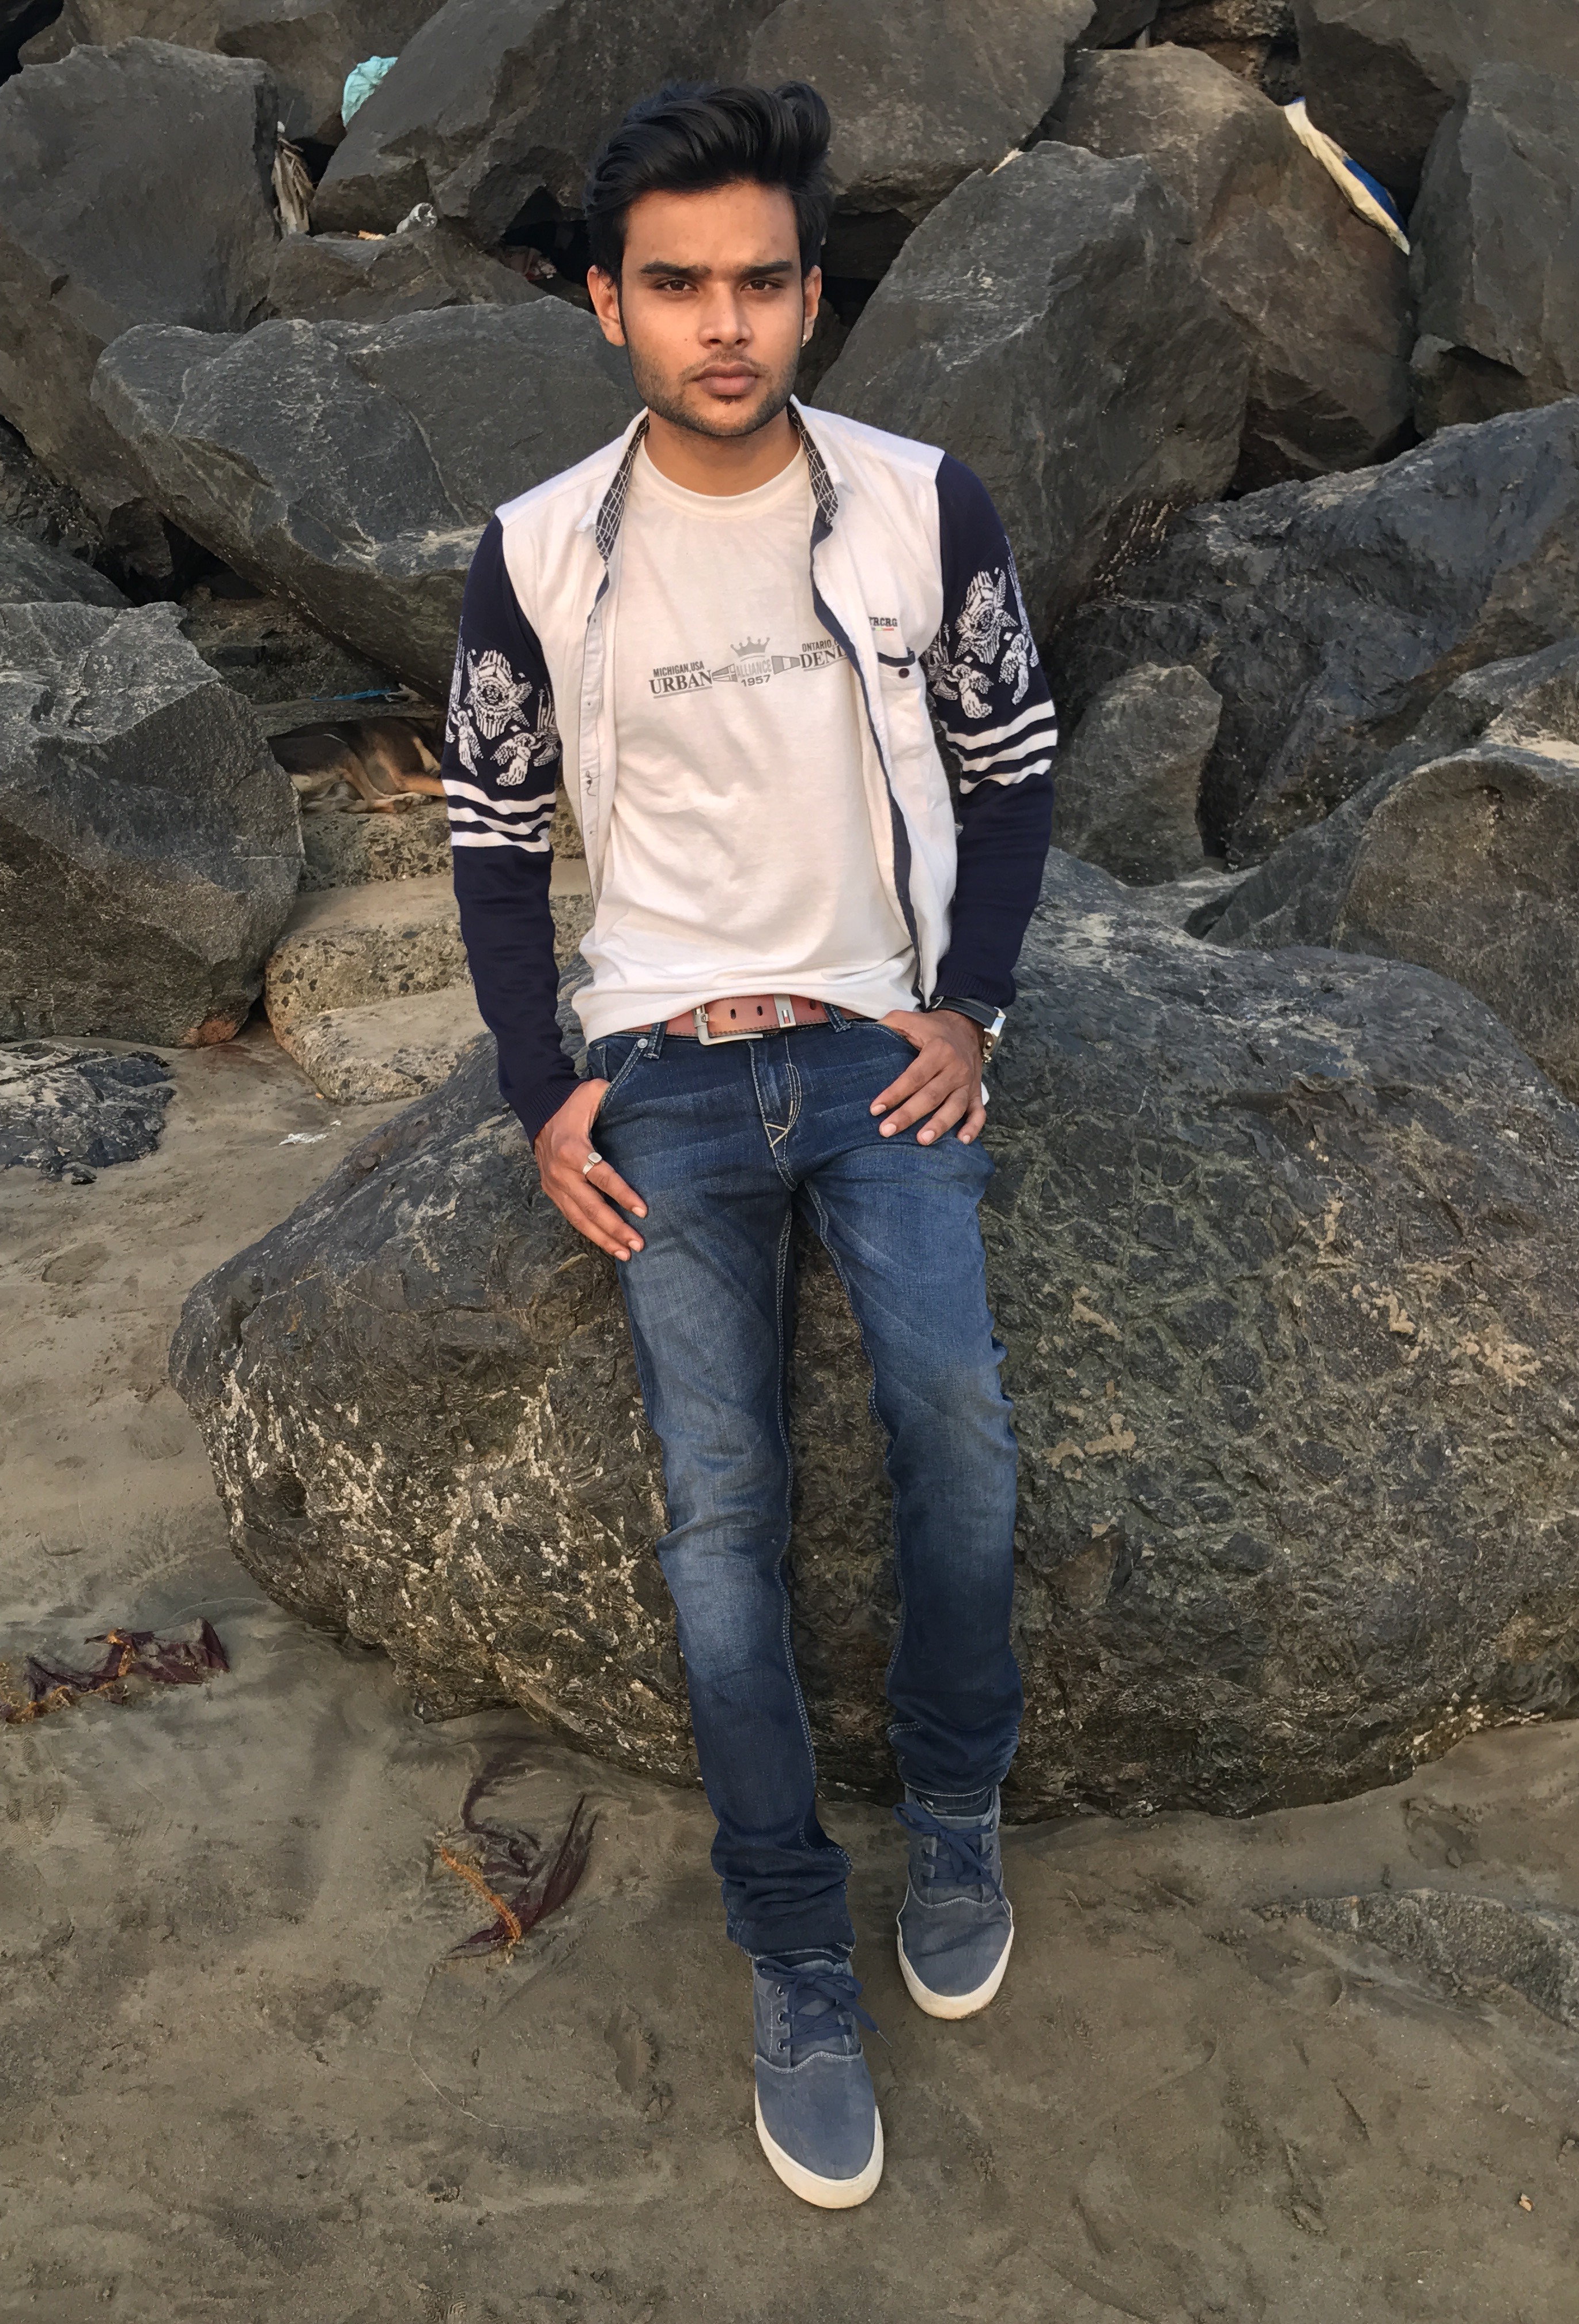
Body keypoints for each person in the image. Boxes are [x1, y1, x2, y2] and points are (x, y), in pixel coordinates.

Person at [440, 79, 1055, 2209]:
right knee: (722, 1520)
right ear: (606, 304)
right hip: (666, 1079)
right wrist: (540, 1092)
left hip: (881, 1050)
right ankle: (795, 1947)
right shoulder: (536, 550)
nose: (727, 324)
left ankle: (955, 1817)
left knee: (958, 1433)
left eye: (764, 282)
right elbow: (494, 839)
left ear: (812, 294)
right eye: (679, 285)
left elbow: (1012, 760)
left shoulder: (923, 503)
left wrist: (974, 1008)